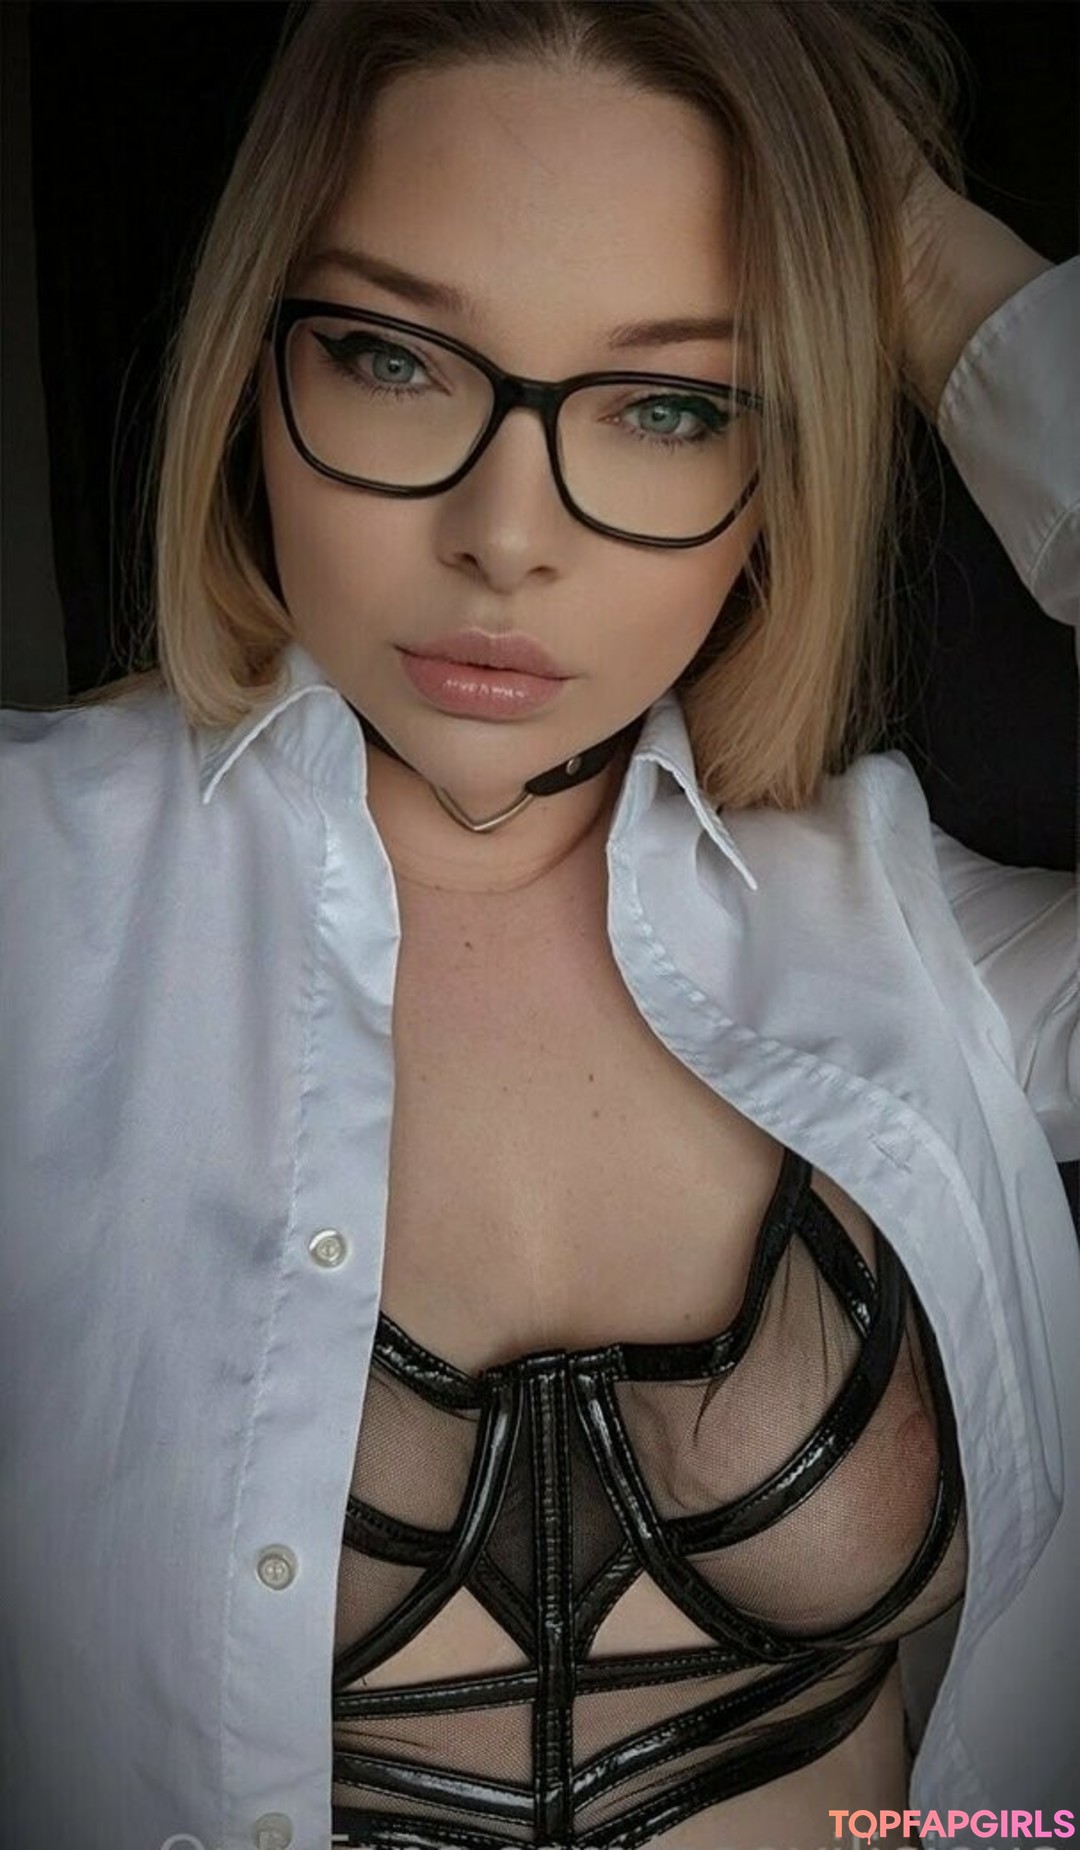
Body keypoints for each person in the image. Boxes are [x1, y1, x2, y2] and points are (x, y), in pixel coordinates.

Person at [1, 3, 1077, 1848]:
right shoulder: (38, 901)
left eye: (669, 403)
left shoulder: (909, 931)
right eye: (395, 358)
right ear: (255, 360)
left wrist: (916, 264)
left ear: (782, 453)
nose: (507, 534)